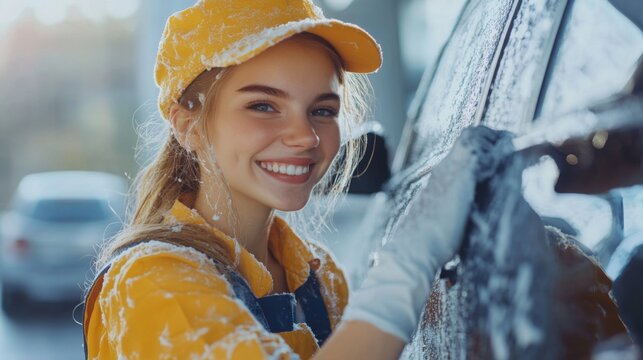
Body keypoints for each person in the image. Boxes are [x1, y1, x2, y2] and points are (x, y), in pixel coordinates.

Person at [81, 0, 508, 358]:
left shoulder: (321, 278)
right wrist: (407, 265)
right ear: (188, 125)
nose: (305, 136)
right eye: (263, 106)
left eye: (322, 110)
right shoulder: (151, 283)